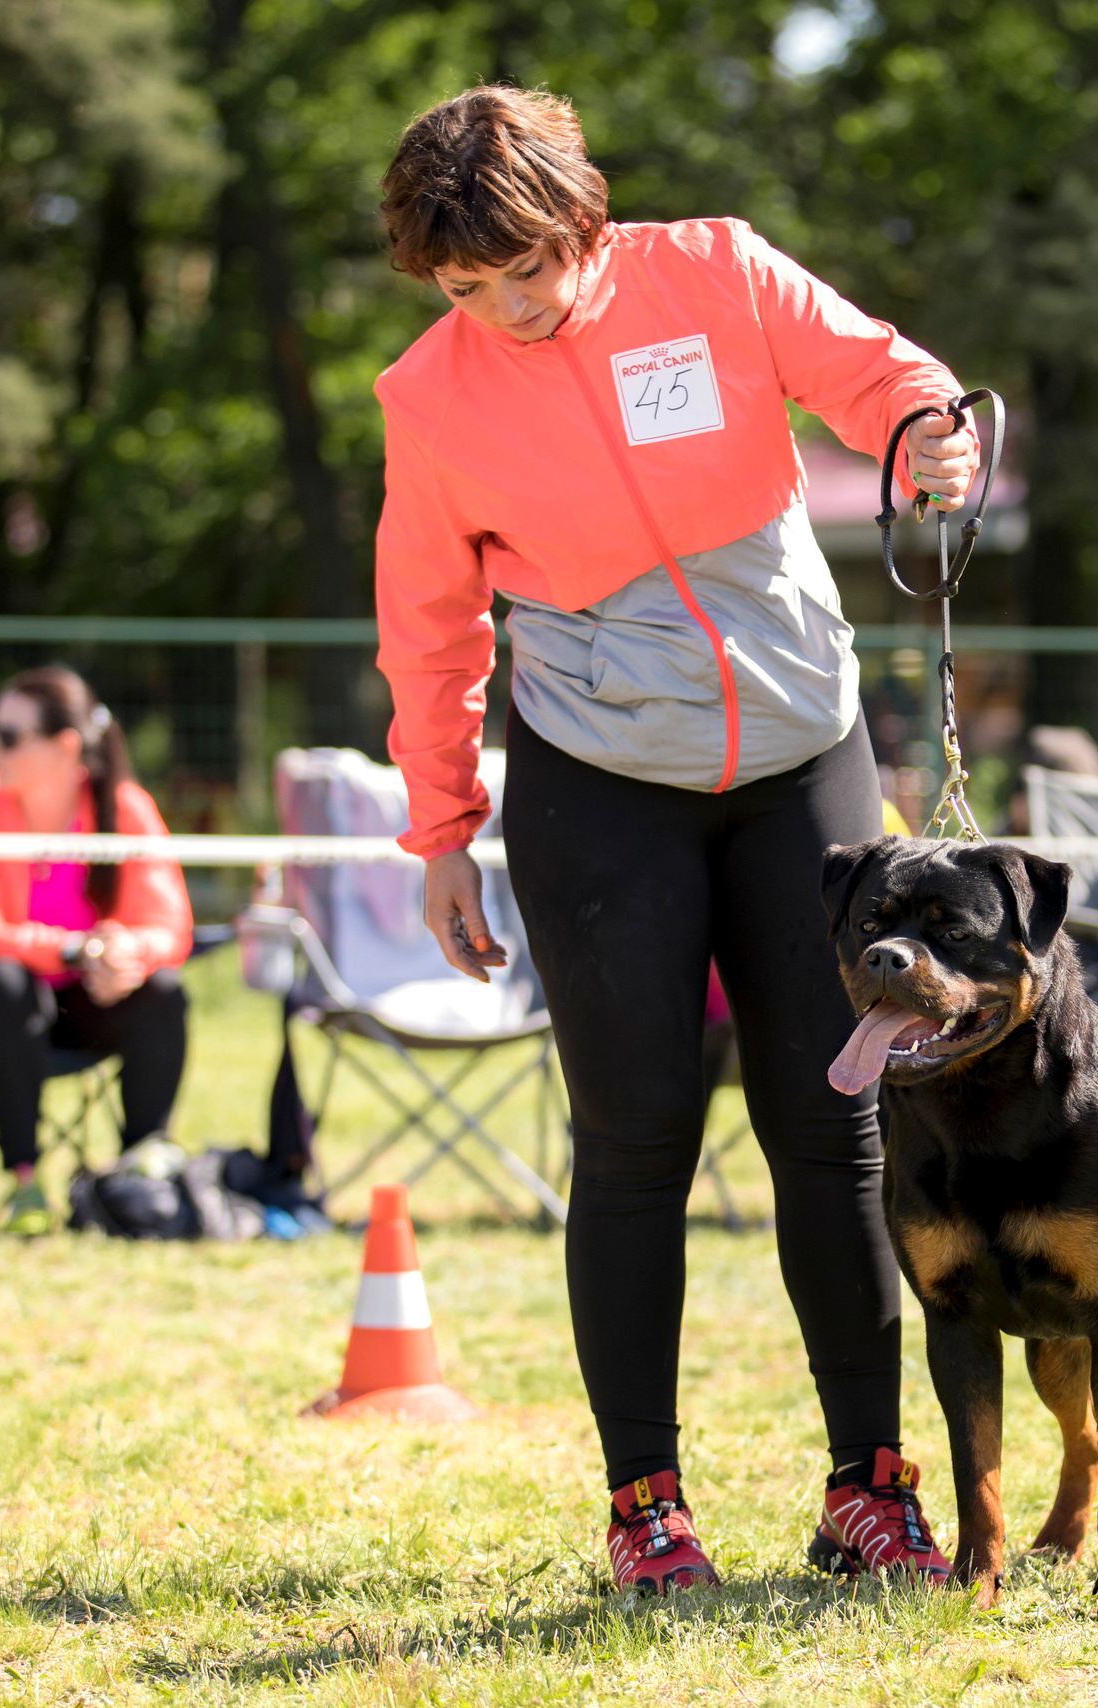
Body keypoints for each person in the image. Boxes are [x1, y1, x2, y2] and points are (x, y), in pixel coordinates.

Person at [372, 87, 981, 1594]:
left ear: (583, 220)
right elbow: (430, 622)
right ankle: (646, 1506)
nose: (507, 308)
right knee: (635, 1139)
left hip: (802, 758)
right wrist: (443, 822)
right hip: (600, 781)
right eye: (467, 286)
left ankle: (872, 1490)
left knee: (830, 1128)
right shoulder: (430, 396)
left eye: (526, 268)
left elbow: (878, 374)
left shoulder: (715, 268)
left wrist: (922, 432)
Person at [0, 666, 193, 1235]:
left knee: (164, 993)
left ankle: (138, 1177)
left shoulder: (125, 807)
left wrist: (124, 952)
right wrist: (74, 949)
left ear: (64, 746)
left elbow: (170, 926)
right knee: (4, 985)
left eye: (8, 735)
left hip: (87, 1003)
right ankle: (25, 1180)